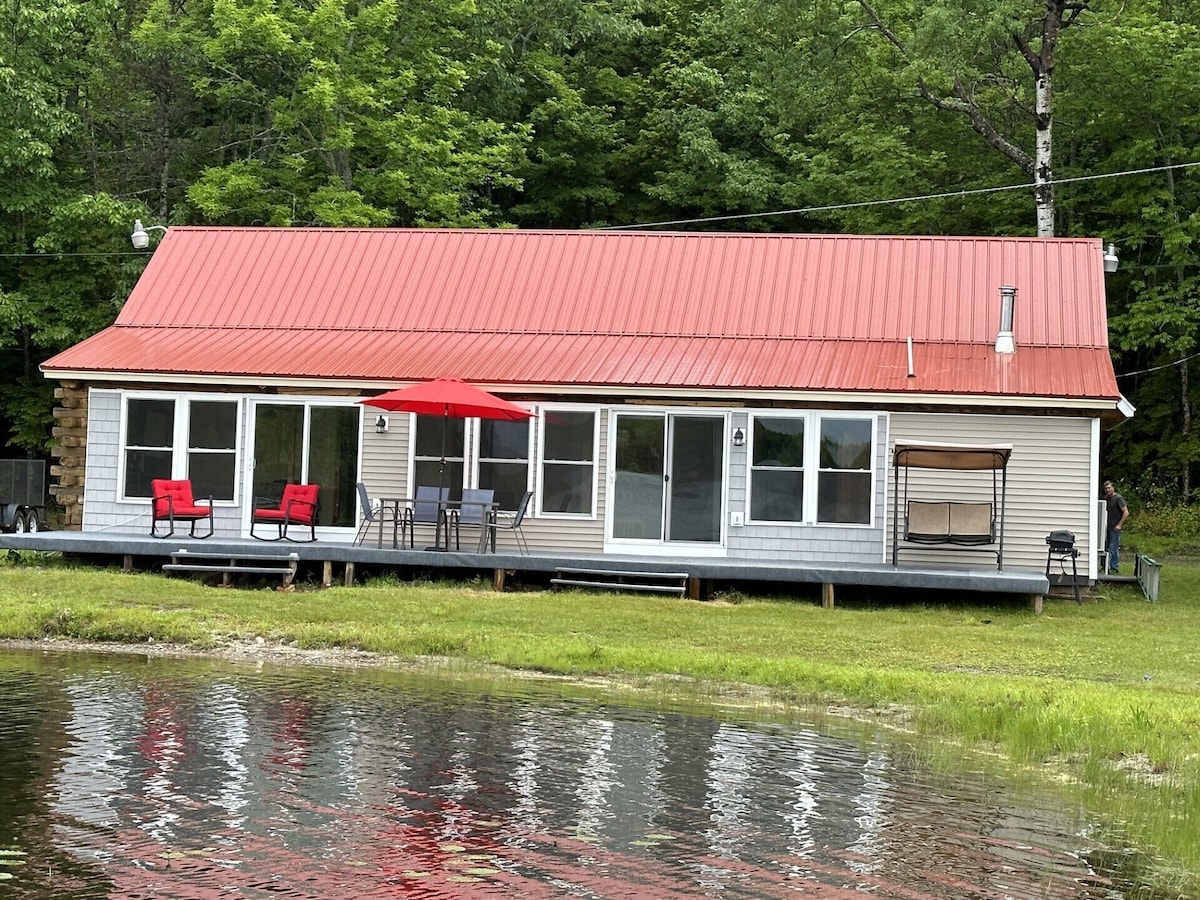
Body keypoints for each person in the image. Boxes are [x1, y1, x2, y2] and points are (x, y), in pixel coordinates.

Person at [1103, 480, 1129, 574]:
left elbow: (1126, 512)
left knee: (1113, 547)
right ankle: (1104, 566)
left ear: (1113, 488)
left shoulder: (1118, 498)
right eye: (1106, 488)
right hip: (1105, 527)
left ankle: (1114, 568)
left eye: (1109, 488)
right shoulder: (1105, 499)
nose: (1107, 490)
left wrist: (1119, 524)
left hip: (1115, 527)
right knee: (1104, 547)